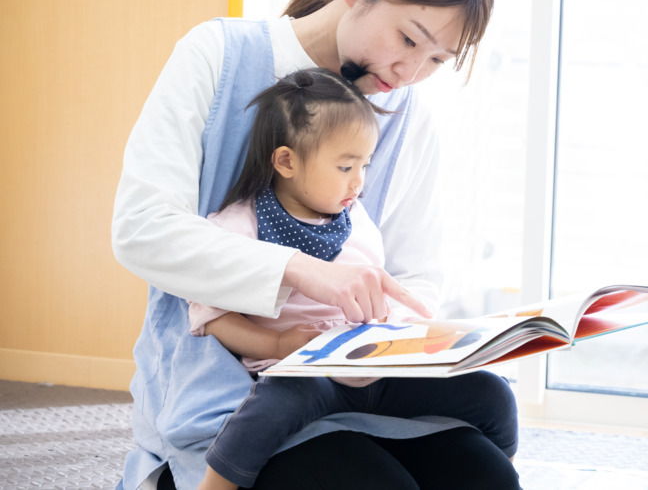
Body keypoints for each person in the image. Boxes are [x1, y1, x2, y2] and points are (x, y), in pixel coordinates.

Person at [111, 0, 520, 489]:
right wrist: (304, 274)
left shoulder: (406, 116)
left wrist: (379, 334)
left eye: (435, 60)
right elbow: (141, 229)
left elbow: (415, 275)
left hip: (362, 385)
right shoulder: (219, 56)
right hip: (229, 397)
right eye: (407, 38)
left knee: (488, 477)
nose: (408, 71)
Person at [187, 68, 517, 490]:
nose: (359, 181)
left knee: (491, 391)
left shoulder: (355, 219)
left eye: (364, 164)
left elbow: (381, 291)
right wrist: (277, 344)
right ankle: (214, 484)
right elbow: (210, 315)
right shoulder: (238, 225)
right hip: (304, 374)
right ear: (286, 160)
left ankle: (507, 464)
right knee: (275, 404)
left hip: (375, 369)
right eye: (345, 166)